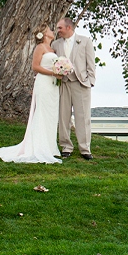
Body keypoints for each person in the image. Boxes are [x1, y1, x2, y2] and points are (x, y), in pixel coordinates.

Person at [0, 24, 65, 164]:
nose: (52, 31)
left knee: (51, 114)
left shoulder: (52, 49)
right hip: (43, 83)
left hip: (53, 86)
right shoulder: (40, 47)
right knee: (41, 113)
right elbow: (35, 67)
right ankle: (38, 147)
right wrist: (52, 73)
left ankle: (50, 147)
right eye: (50, 29)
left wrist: (60, 73)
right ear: (44, 33)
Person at [53, 16, 96, 159]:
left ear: (68, 27)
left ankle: (85, 148)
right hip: (63, 83)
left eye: (60, 28)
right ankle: (66, 146)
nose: (58, 30)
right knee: (63, 116)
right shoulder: (56, 44)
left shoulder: (85, 41)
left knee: (83, 117)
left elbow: (91, 63)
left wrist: (90, 81)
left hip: (81, 83)